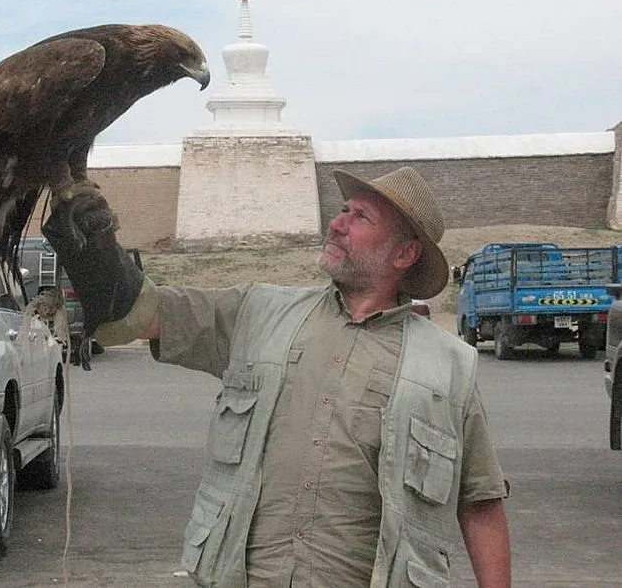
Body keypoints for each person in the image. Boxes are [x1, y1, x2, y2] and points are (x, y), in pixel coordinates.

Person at [43, 166, 511, 588]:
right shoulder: (257, 311)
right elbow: (142, 315)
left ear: (405, 253)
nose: (337, 223)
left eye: (361, 217)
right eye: (342, 210)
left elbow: (480, 502)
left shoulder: (450, 365)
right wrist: (95, 251)